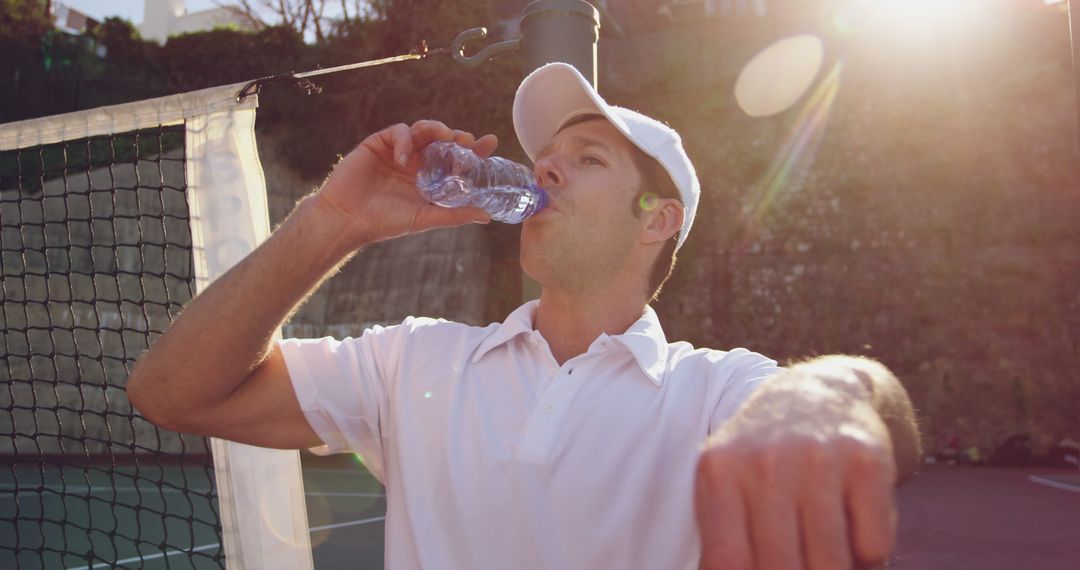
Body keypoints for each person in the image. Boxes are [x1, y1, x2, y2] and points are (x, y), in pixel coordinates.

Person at [127, 63, 921, 569]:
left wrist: (824, 394)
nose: (545, 166)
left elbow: (878, 417)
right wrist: (334, 222)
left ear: (658, 220)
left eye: (589, 157)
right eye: (548, 154)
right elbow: (171, 393)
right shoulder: (415, 362)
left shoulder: (712, 392)